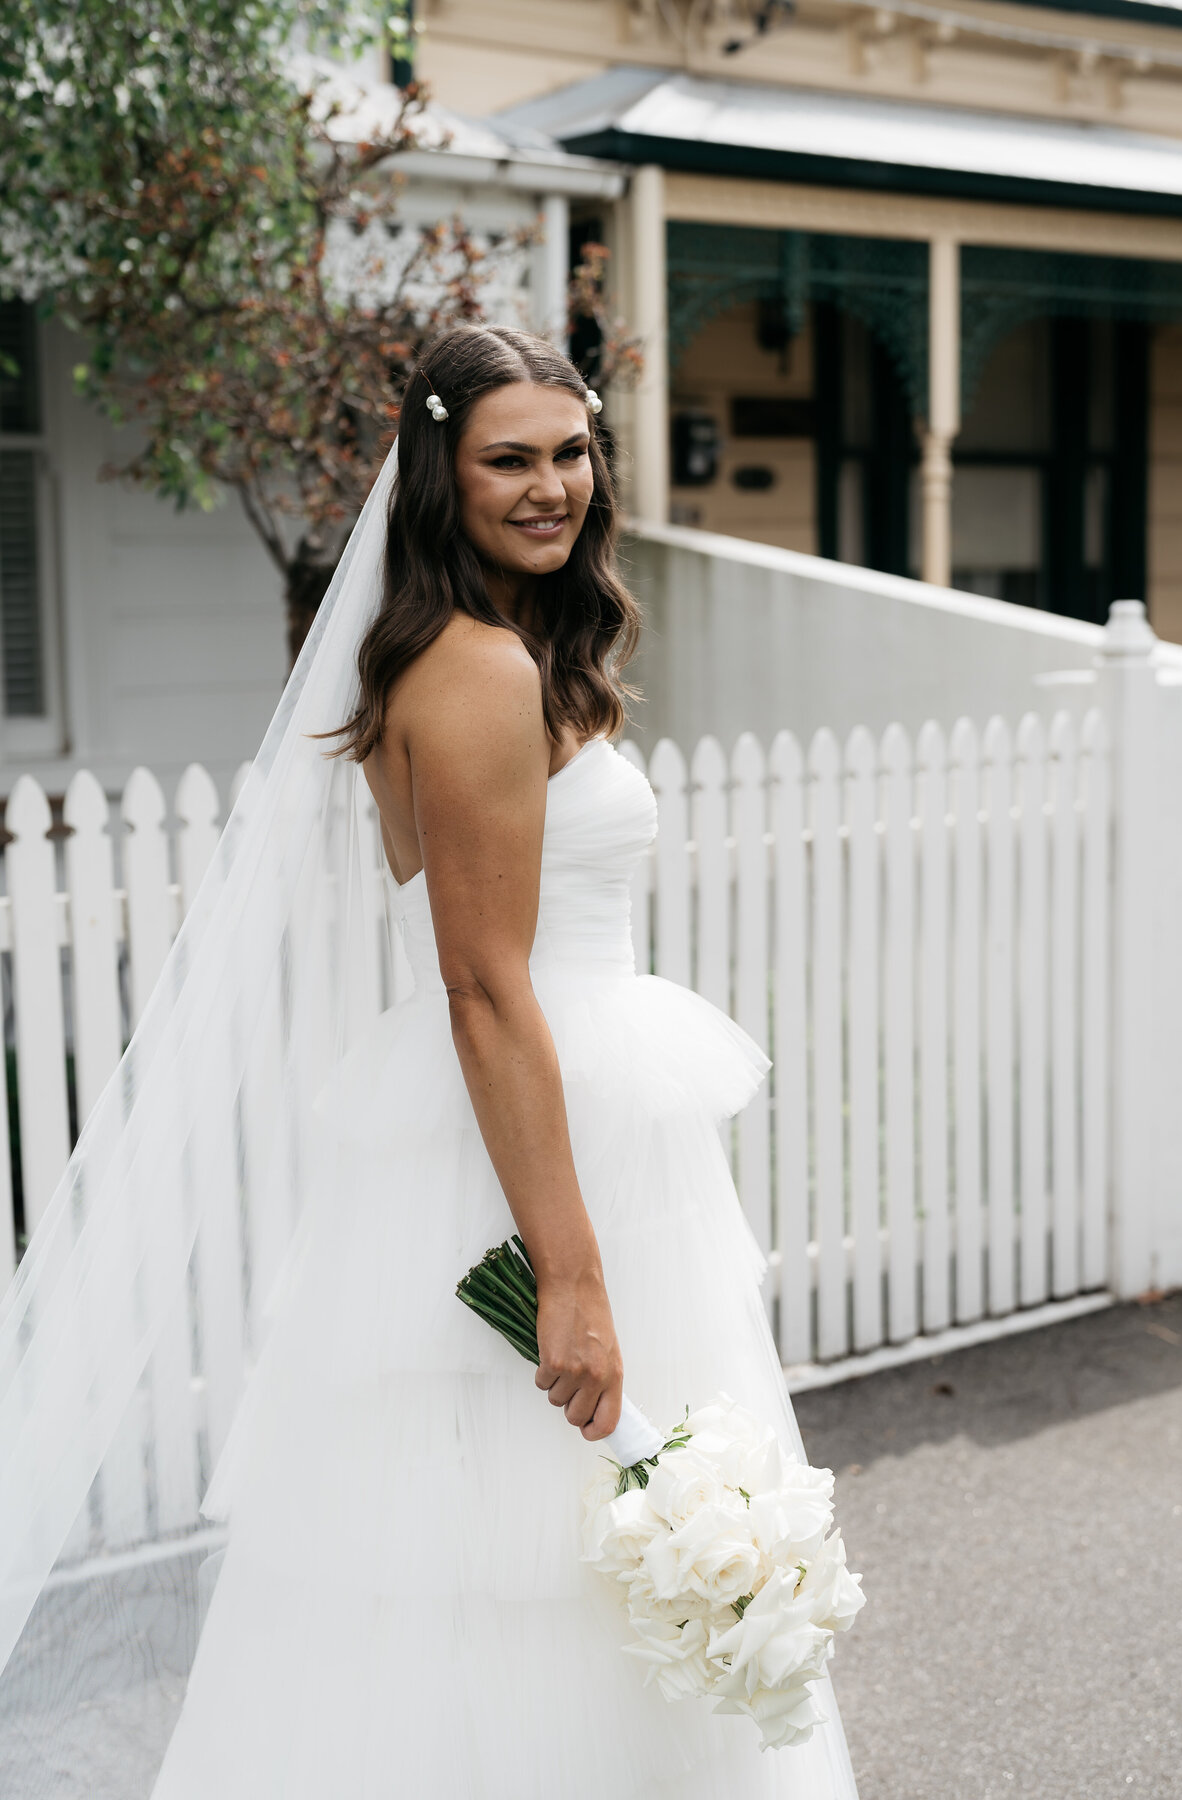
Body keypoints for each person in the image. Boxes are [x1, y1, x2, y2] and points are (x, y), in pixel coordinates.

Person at [0, 326, 858, 1798]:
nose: (549, 488)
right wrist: (571, 1270)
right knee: (525, 1545)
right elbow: (477, 982)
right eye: (507, 461)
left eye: (570, 452)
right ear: (438, 478)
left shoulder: (511, 650)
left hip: (568, 1117)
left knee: (555, 1540)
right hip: (532, 1143)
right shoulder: (470, 670)